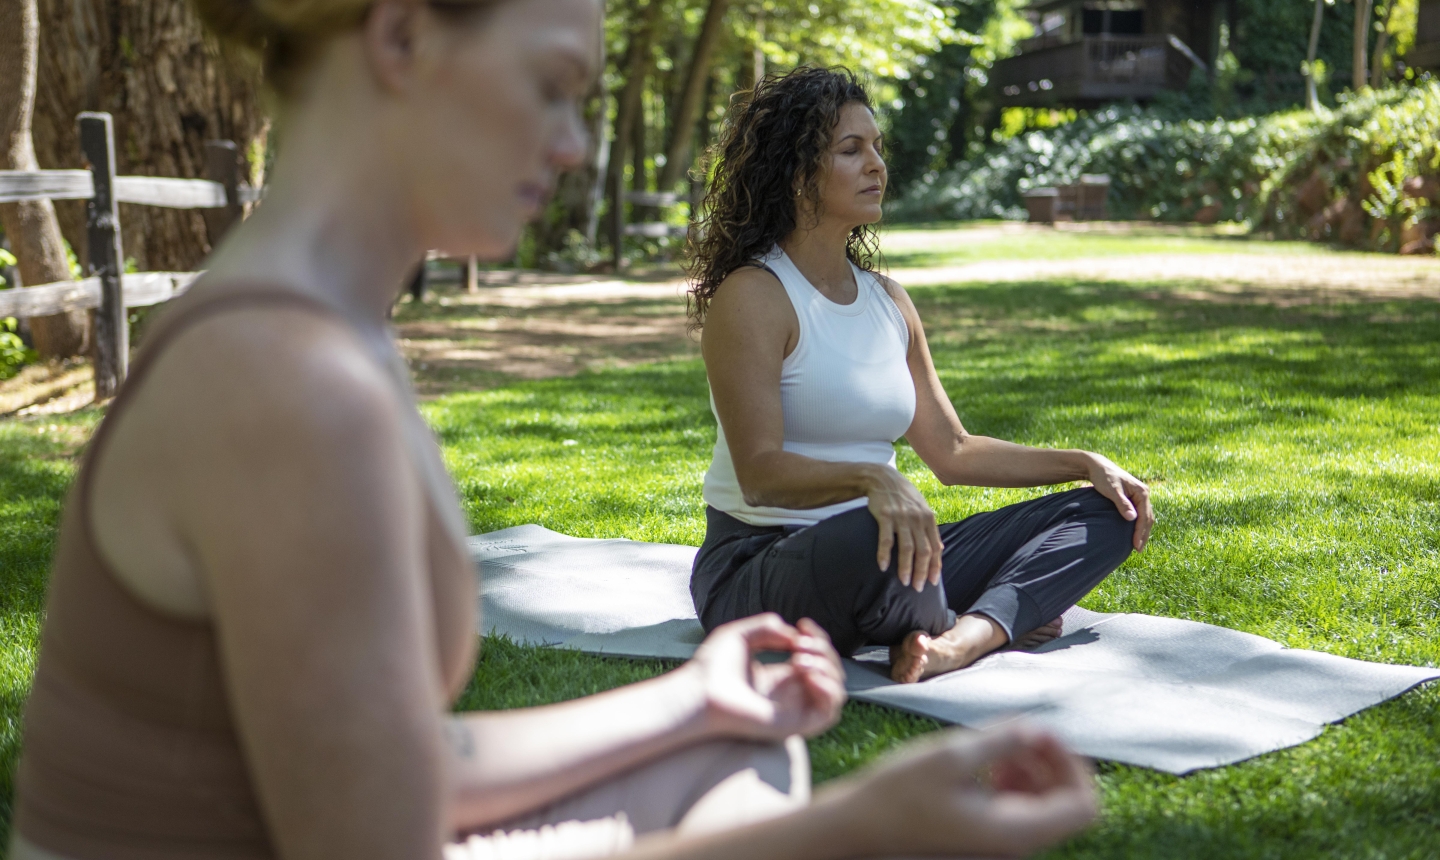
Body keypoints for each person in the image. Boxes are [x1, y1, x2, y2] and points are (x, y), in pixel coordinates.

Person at [10, 5, 1098, 860]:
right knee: (767, 790)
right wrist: (865, 822)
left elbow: (402, 771)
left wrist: (686, 699)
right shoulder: (289, 385)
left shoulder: (312, 332)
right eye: (551, 87)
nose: (577, 146)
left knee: (739, 759)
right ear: (401, 37)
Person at [688, 66, 1156, 685]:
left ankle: (960, 638)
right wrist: (873, 479)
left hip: (891, 546)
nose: (877, 165)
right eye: (851, 150)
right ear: (796, 173)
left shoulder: (888, 300)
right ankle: (984, 610)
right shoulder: (754, 295)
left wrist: (1083, 462)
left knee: (1107, 514)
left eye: (878, 148)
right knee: (875, 543)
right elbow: (758, 474)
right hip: (760, 562)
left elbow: (954, 452)